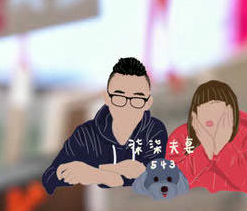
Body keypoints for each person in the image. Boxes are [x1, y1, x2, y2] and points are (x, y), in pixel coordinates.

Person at [42, 57, 168, 193]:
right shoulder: (86, 134)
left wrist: (96, 173)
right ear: (107, 98)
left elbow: (156, 178)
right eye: (119, 98)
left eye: (137, 99)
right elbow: (49, 178)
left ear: (148, 103)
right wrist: (108, 173)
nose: (127, 107)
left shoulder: (154, 131)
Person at [166, 80, 247, 194]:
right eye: (203, 109)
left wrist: (222, 148)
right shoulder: (180, 137)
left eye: (215, 108)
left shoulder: (246, 139)